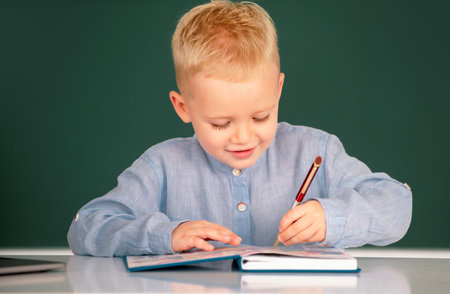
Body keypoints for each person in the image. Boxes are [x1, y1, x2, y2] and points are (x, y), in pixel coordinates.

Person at [67, 0, 412, 257]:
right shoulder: (162, 166)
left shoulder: (315, 151)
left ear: (278, 90)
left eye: (261, 117)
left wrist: (332, 218)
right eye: (220, 123)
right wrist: (165, 236)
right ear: (183, 107)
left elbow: (397, 204)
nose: (243, 137)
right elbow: (87, 226)